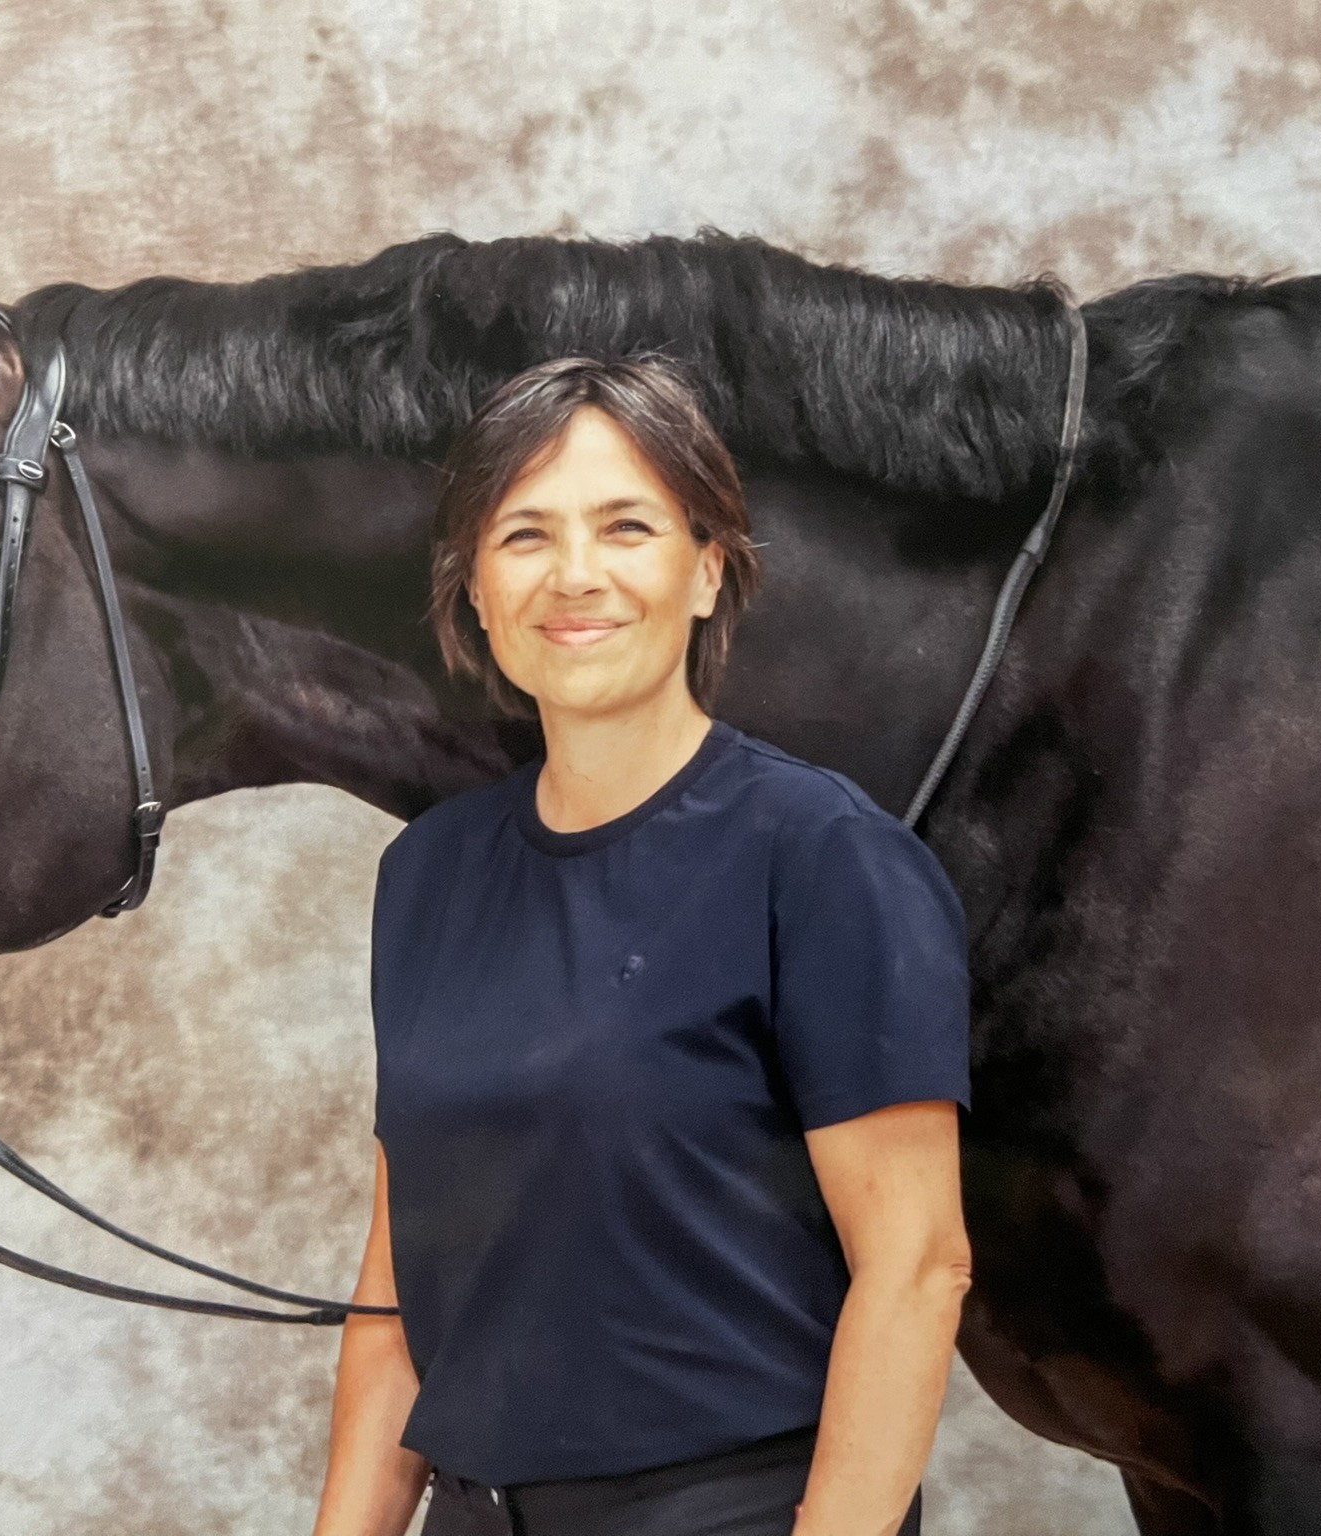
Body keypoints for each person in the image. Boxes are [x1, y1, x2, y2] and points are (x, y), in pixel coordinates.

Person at [310, 354, 973, 1536]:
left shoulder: (820, 856)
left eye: (626, 527)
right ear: (471, 588)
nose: (575, 577)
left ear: (707, 570)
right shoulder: (428, 875)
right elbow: (395, 1302)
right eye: (523, 536)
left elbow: (917, 1269)